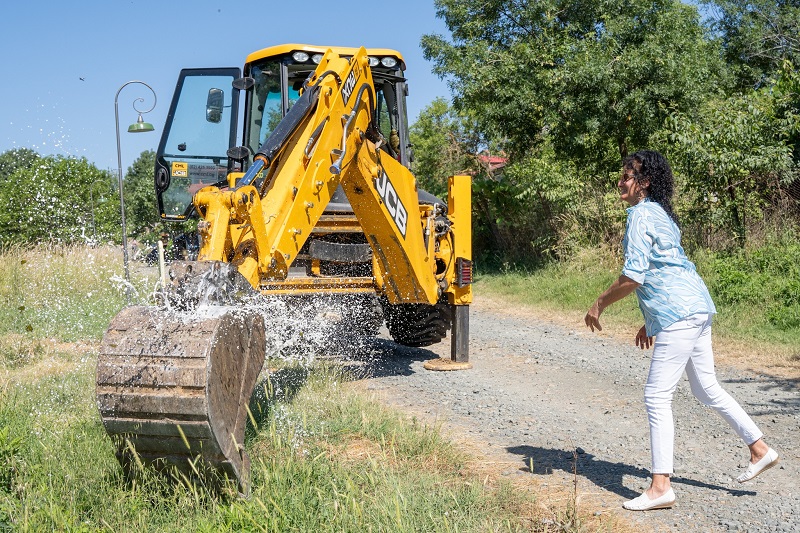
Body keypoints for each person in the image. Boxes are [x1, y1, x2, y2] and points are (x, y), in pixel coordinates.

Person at [584, 150, 779, 511]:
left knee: (657, 396)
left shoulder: (641, 214)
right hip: (696, 307)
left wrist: (598, 303)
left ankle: (661, 488)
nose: (620, 182)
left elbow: (634, 276)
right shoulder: (661, 215)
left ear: (644, 184)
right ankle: (760, 449)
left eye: (627, 176)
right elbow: (669, 268)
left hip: (681, 313)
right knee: (706, 389)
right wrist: (653, 318)